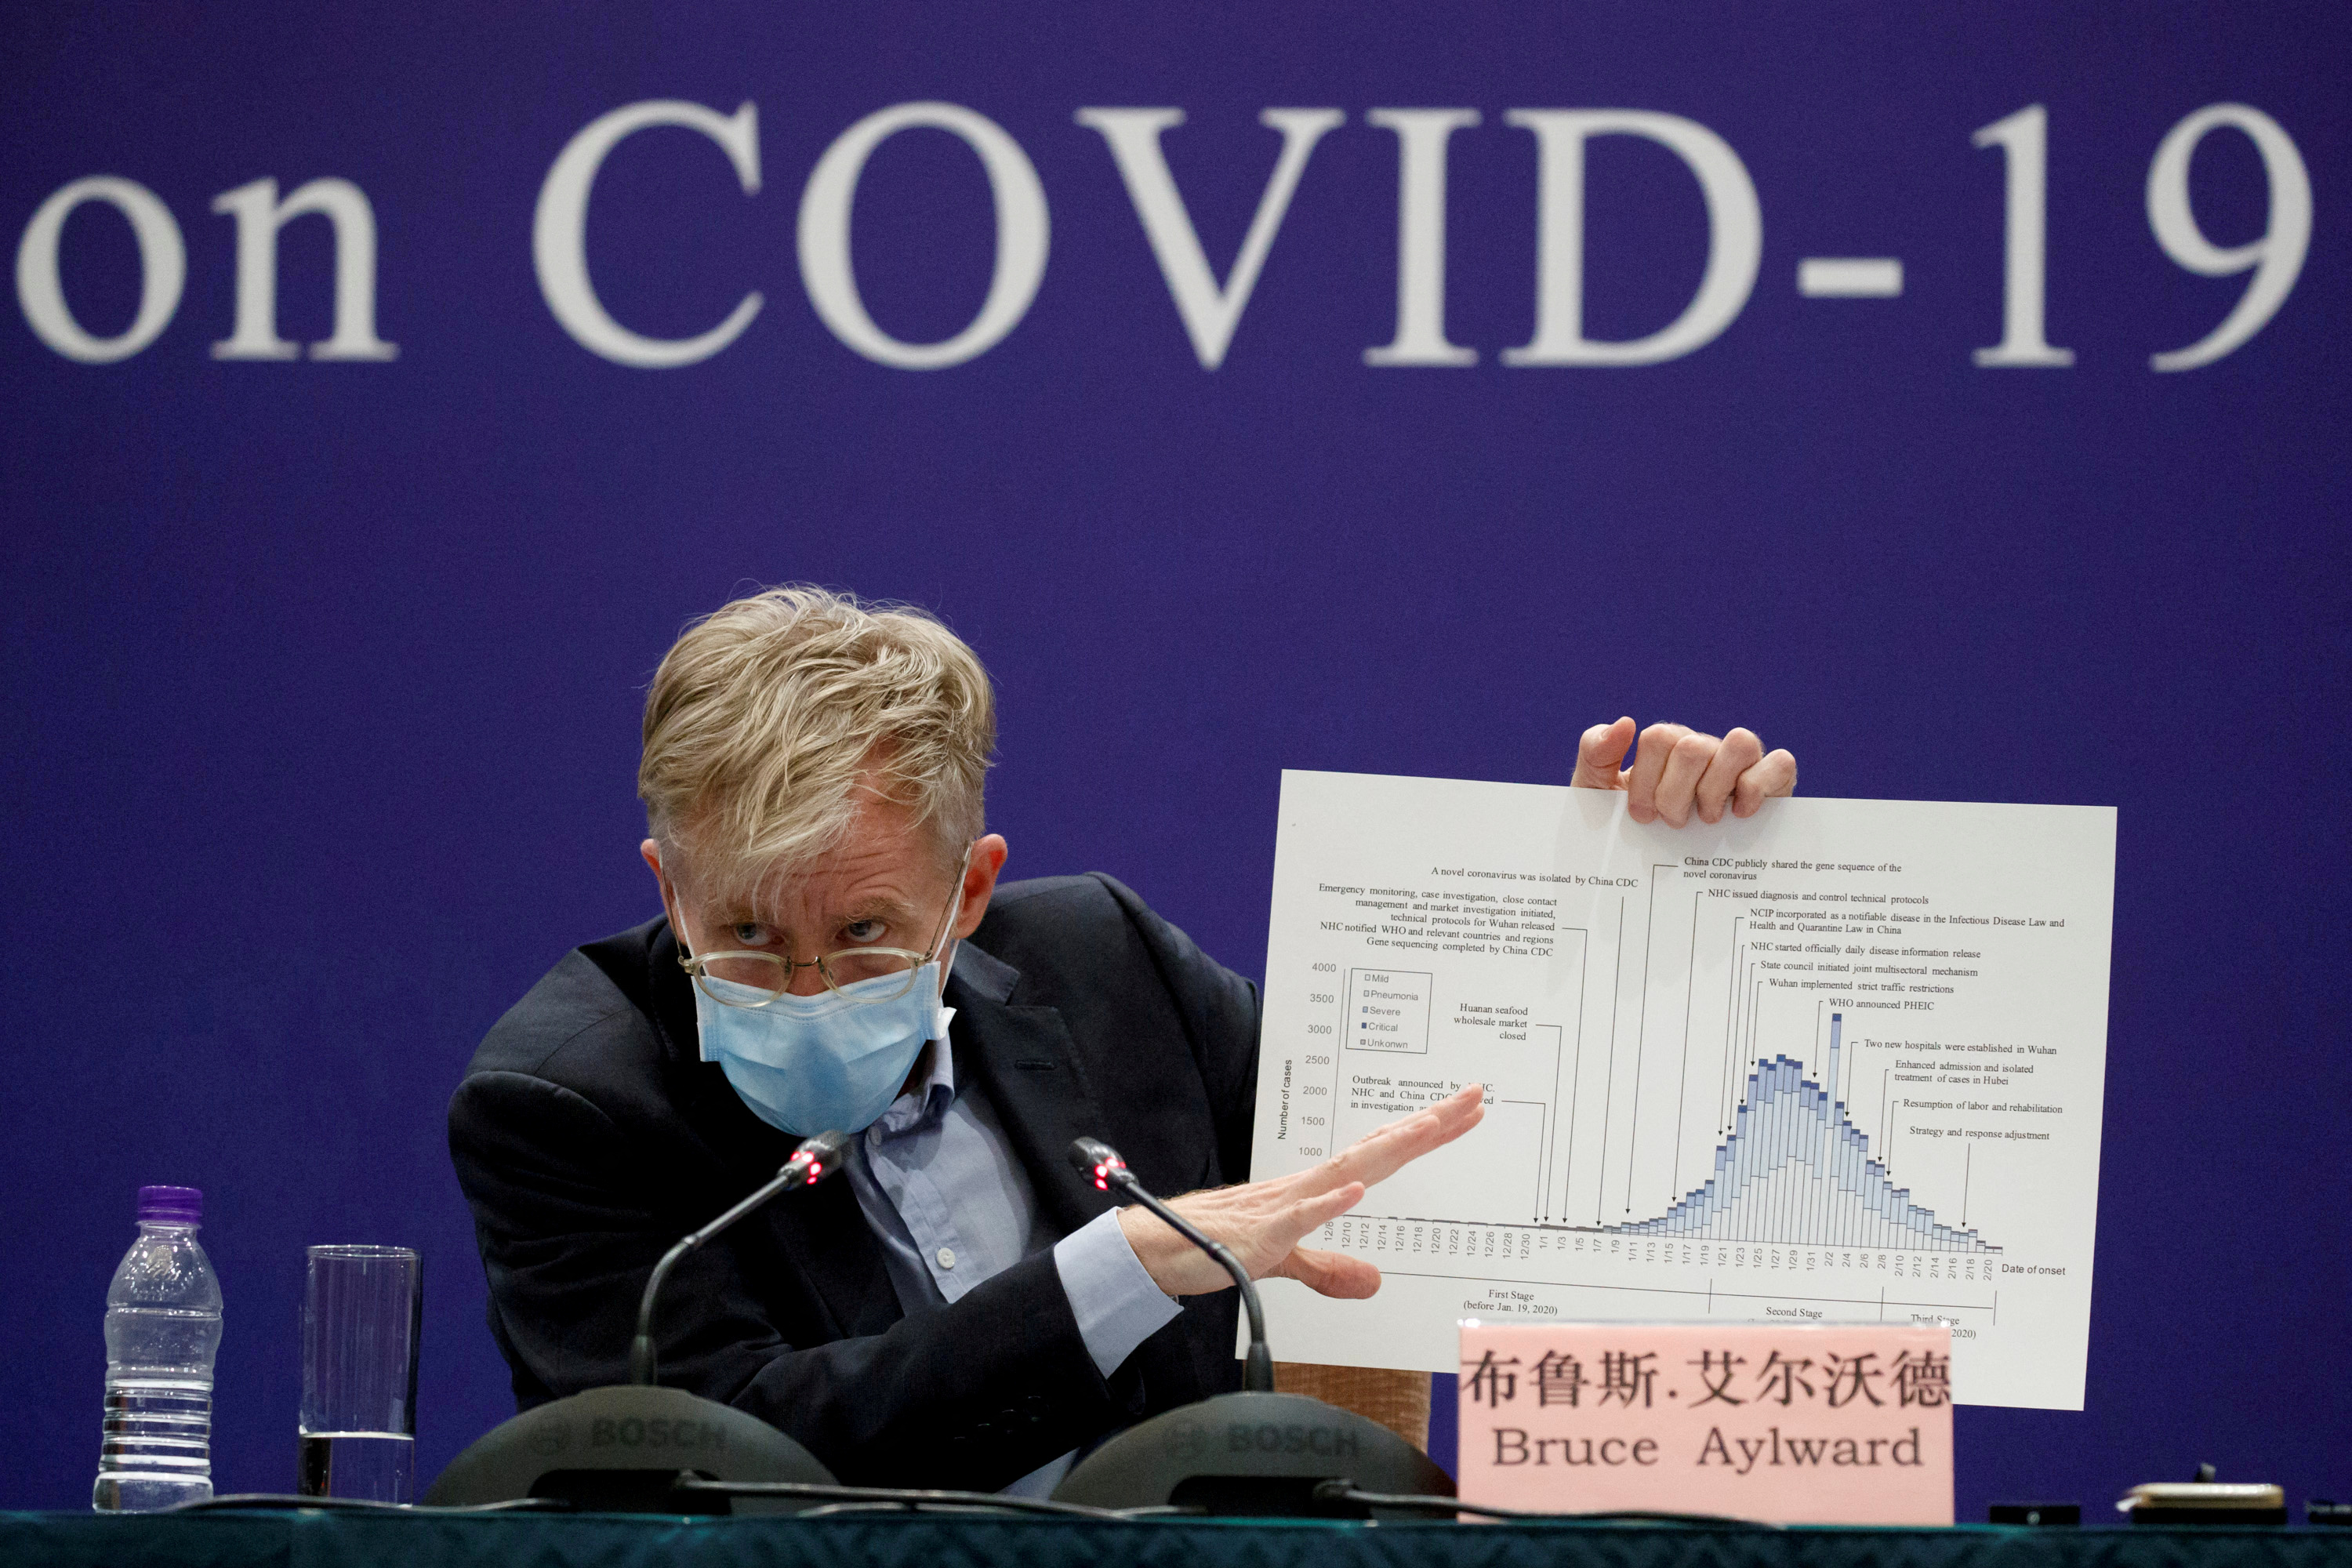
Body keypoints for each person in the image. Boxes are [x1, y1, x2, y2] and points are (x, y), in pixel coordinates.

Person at [448, 587, 1798, 1492]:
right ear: (664, 886)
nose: (805, 988)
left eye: (864, 935)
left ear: (970, 893)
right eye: (743, 932)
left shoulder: (1108, 964)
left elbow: (1407, 1165)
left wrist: (1614, 902)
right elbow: (739, 1458)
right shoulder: (565, 1101)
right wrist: (1115, 1272)